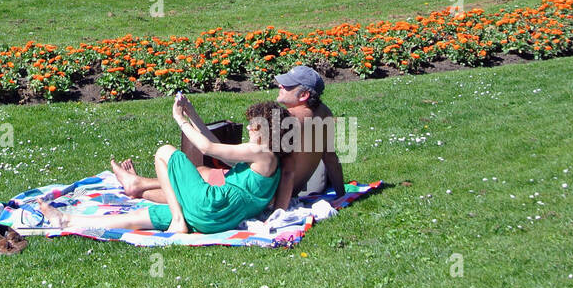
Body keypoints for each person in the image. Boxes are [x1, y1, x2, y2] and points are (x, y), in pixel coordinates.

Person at [39, 97, 286, 235]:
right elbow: (215, 144)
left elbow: (206, 149)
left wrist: (179, 119)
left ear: (266, 129)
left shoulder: (261, 152)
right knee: (140, 217)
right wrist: (193, 114)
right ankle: (67, 221)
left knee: (164, 152)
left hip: (212, 205)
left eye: (254, 125)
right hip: (219, 218)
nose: (250, 129)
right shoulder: (267, 163)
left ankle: (178, 219)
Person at [272, 66, 346, 209]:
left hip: (272, 198)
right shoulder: (324, 112)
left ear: (303, 95)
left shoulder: (287, 120)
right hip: (296, 189)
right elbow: (330, 158)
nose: (280, 85)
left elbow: (277, 169)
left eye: (287, 85)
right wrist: (341, 196)